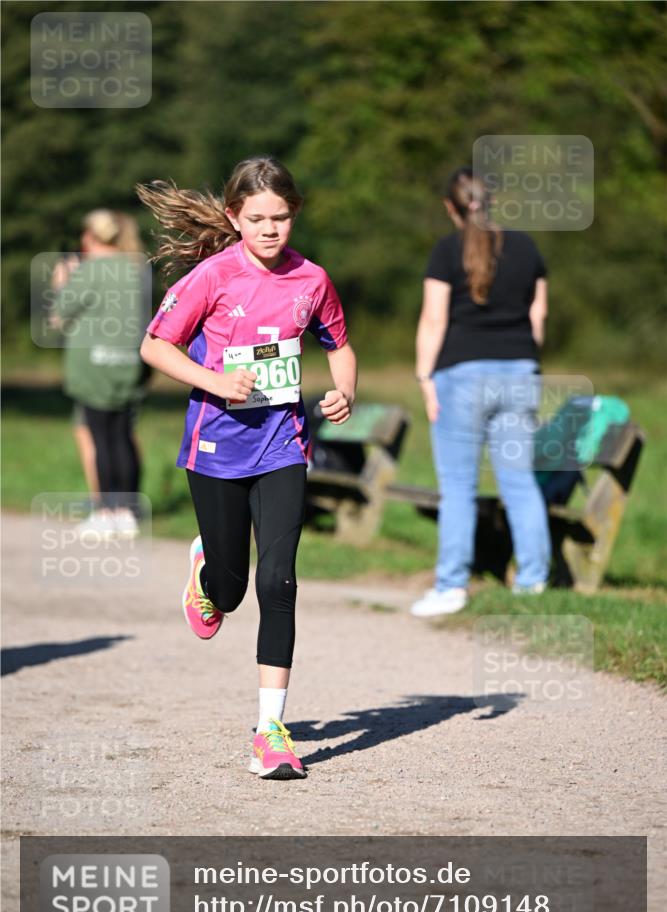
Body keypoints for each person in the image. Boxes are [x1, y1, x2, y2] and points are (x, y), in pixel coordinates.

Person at [136, 156, 357, 780]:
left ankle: (271, 731)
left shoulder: (312, 279)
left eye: (280, 217)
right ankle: (207, 572)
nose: (270, 229)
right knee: (232, 590)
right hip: (217, 446)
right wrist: (215, 381)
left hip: (284, 444)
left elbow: (340, 346)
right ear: (234, 217)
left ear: (294, 215)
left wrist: (344, 391)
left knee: (279, 582)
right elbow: (154, 345)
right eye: (257, 218)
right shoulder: (212, 276)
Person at [411, 167, 551, 617]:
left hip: (461, 376)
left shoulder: (445, 251)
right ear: (491, 202)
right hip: (520, 372)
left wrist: (424, 379)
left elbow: (434, 321)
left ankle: (452, 587)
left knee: (458, 487)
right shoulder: (526, 247)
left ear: (449, 207)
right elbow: (538, 318)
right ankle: (533, 583)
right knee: (520, 483)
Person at [51, 210, 147, 538]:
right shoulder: (136, 268)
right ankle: (127, 512)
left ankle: (106, 511)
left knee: (101, 438)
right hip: (128, 363)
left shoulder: (91, 270)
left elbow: (59, 314)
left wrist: (62, 283)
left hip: (94, 366)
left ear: (90, 236)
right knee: (122, 436)